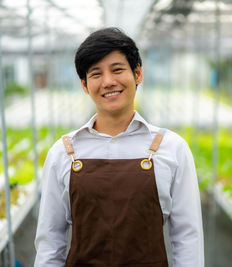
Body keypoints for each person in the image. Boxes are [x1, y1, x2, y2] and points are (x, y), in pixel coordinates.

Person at [34, 27, 204, 266]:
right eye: (96, 74)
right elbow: (50, 243)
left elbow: (188, 238)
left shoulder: (172, 148)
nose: (108, 82)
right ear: (84, 85)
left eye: (117, 70)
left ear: (137, 74)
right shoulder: (63, 152)